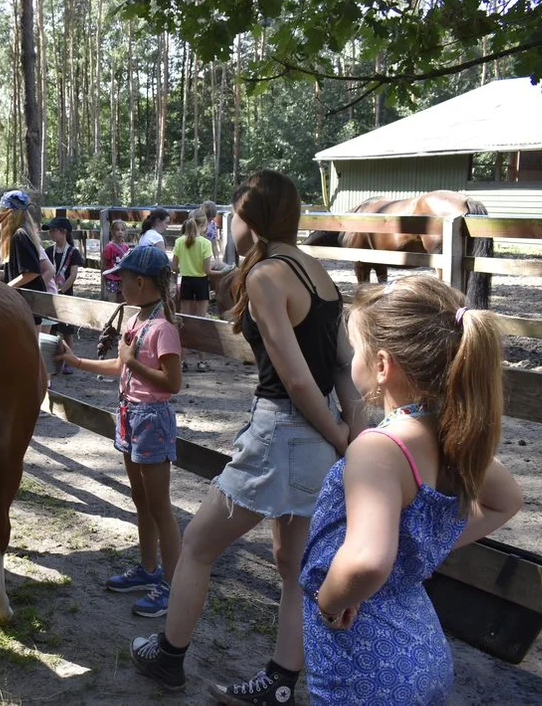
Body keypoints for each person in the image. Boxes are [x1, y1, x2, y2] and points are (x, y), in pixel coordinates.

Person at [129, 170, 366, 699]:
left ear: (251, 222)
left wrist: (340, 434)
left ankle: (169, 657)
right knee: (293, 566)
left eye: (234, 216)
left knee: (196, 545)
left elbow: (295, 376)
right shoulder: (318, 274)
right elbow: (343, 366)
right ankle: (280, 684)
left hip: (281, 431)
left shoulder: (265, 278)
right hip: (317, 436)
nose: (228, 226)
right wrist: (351, 430)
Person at [301, 275, 522, 703]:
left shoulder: (379, 450)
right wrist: (421, 547)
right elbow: (505, 500)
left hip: (364, 659)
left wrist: (329, 599)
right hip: (420, 645)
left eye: (355, 350)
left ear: (382, 365)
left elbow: (366, 562)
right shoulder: (448, 434)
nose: (351, 362)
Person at [56, 247, 183, 618]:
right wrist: (76, 361)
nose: (117, 284)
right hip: (130, 415)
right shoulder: (138, 320)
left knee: (160, 507)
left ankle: (172, 586)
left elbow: (172, 382)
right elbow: (121, 366)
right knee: (141, 500)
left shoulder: (162, 329)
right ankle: (148, 570)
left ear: (140, 282)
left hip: (151, 420)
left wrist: (130, 362)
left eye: (121, 279)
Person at [171, 204, 215, 373]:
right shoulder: (205, 243)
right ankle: (202, 361)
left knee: (185, 322)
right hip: (202, 284)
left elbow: (174, 267)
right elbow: (206, 270)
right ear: (203, 225)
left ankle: (182, 361)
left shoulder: (179, 241)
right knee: (201, 321)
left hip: (187, 282)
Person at [0, 189, 48, 333]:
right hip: (24, 303)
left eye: (3, 211)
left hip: (29, 303)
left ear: (11, 213)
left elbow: (31, 272)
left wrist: (7, 287)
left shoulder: (20, 236)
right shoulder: (19, 235)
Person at [43, 217, 85, 372]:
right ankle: (51, 358)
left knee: (67, 330)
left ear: (64, 232)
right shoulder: (48, 251)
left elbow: (73, 274)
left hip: (65, 295)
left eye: (54, 230)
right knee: (51, 328)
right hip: (50, 294)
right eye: (50, 230)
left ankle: (69, 360)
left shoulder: (73, 253)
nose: (51, 233)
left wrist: (62, 290)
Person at [101, 219, 131, 303]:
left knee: (122, 298)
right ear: (112, 231)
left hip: (122, 278)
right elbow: (104, 263)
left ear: (125, 232)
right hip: (111, 278)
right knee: (112, 298)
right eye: (117, 230)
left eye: (122, 230)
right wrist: (105, 277)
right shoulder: (109, 247)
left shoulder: (126, 247)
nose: (120, 232)